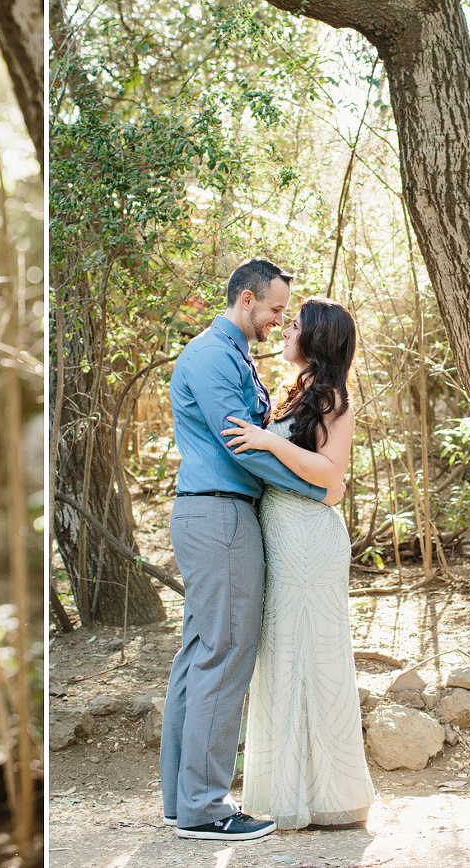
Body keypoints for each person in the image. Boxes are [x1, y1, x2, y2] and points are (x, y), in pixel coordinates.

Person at [162, 258, 342, 841]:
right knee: (226, 652)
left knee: (200, 653)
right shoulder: (214, 356)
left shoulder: (233, 354)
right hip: (219, 515)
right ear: (246, 300)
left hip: (218, 514)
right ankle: (206, 807)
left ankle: (182, 798)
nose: (277, 321)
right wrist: (315, 486)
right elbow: (242, 445)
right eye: (274, 310)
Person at [222, 296, 376, 829]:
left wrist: (267, 440)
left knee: (312, 654)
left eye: (296, 325)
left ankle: (327, 794)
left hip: (310, 539)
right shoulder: (294, 393)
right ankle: (287, 790)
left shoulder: (334, 399)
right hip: (281, 532)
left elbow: (332, 474)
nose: (286, 331)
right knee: (282, 653)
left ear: (318, 339)